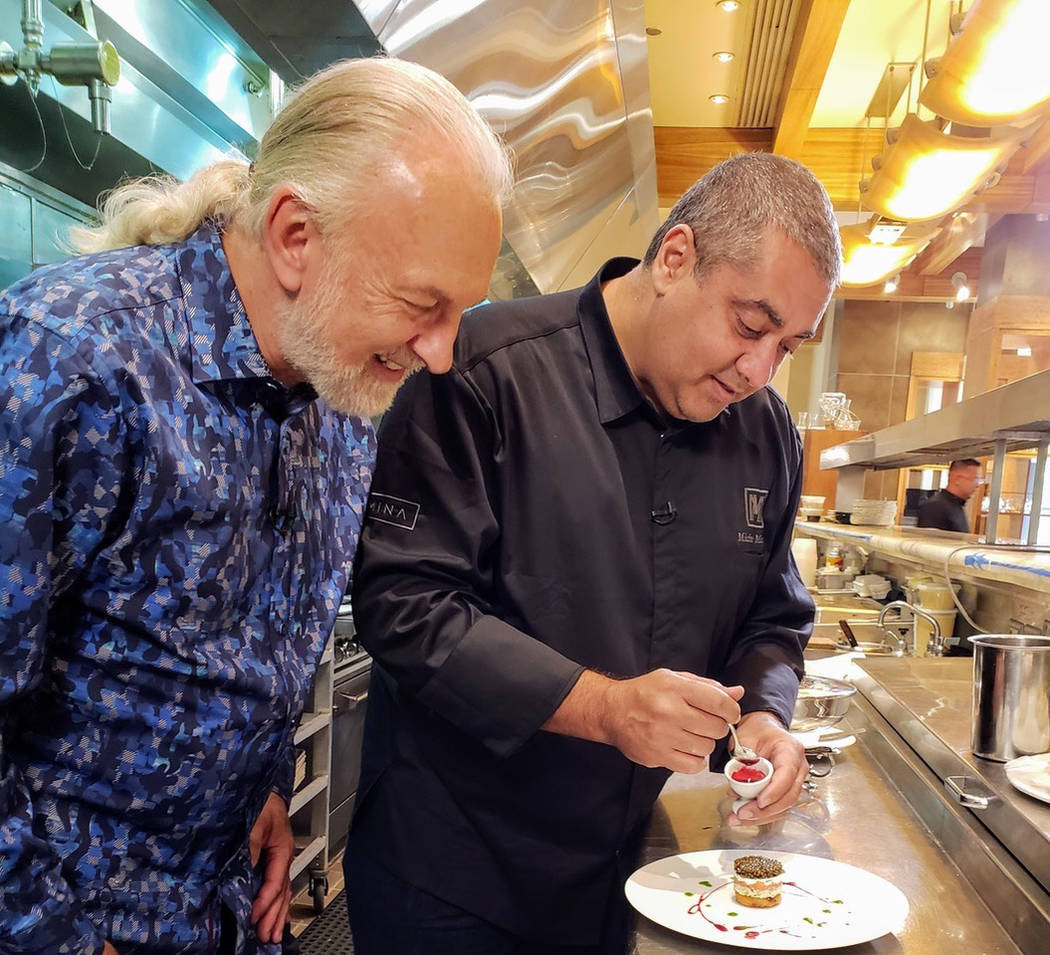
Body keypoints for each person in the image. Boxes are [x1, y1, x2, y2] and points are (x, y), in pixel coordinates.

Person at [0, 56, 510, 954]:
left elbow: (248, 647)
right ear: (295, 235)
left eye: (459, 311)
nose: (439, 353)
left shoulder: (342, 399)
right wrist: (56, 936)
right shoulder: (73, 361)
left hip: (225, 909)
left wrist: (263, 785)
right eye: (421, 303)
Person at [345, 152, 841, 954]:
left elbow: (774, 616)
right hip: (456, 874)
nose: (759, 369)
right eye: (751, 325)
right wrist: (605, 707)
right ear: (675, 258)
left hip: (633, 871)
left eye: (788, 345)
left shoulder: (768, 435)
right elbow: (405, 605)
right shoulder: (482, 372)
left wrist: (763, 716)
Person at [916, 459, 981, 533]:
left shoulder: (956, 506)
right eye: (975, 479)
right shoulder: (935, 507)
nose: (977, 485)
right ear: (958, 479)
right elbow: (929, 542)